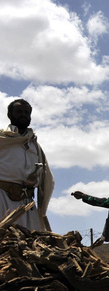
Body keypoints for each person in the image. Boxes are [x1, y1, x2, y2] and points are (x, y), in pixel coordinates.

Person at [0, 99, 54, 231]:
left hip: (26, 203)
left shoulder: (34, 144)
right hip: (2, 199)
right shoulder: (3, 140)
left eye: (26, 112)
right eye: (18, 111)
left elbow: (45, 175)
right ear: (10, 114)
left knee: (30, 242)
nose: (23, 115)